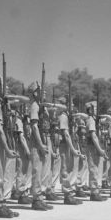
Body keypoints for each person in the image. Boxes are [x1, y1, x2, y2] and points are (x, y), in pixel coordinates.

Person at [0, 76, 19, 217]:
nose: (7, 88)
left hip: (3, 139)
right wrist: (6, 148)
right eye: (3, 86)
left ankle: (2, 202)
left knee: (3, 173)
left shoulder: (3, 104)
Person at [27, 82, 53, 211]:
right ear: (35, 93)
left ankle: (41, 197)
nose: (44, 92)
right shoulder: (34, 106)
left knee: (44, 171)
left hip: (44, 138)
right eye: (41, 90)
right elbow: (34, 126)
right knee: (37, 170)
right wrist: (41, 145)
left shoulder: (43, 107)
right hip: (38, 142)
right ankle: (36, 199)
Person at [56, 96, 83, 205]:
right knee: (66, 169)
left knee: (71, 169)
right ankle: (68, 195)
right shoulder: (63, 116)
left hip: (70, 145)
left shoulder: (69, 117)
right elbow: (66, 134)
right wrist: (73, 149)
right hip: (65, 145)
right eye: (70, 104)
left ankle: (70, 193)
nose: (72, 106)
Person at [83, 101, 108, 202]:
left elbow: (110, 119)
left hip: (96, 146)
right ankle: (94, 192)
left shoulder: (95, 120)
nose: (97, 109)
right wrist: (100, 149)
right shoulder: (91, 120)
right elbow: (93, 136)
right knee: (93, 169)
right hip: (92, 146)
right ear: (90, 109)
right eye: (95, 108)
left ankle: (96, 190)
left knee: (97, 169)